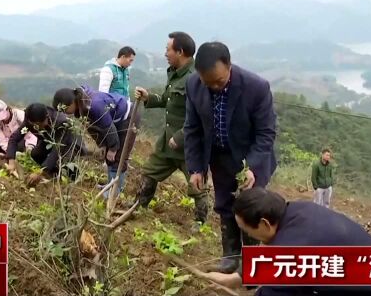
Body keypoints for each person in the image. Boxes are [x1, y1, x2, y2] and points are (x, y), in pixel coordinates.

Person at [203, 188, 371, 295]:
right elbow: (269, 256)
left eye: (246, 229)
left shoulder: (291, 253)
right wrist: (232, 280)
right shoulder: (297, 210)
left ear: (264, 224)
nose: (248, 234)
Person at [184, 41, 277, 273]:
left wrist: (252, 167)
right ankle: (231, 255)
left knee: (252, 208)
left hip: (251, 159)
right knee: (225, 205)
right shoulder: (194, 85)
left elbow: (266, 133)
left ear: (229, 66)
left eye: (220, 81)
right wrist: (196, 168)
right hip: (219, 158)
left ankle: (253, 262)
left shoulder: (256, 87)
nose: (215, 87)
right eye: (209, 83)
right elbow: (192, 130)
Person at [132, 32, 208, 232]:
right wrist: (149, 97)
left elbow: (202, 116)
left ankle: (200, 222)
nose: (165, 53)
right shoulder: (175, 73)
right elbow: (167, 99)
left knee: (196, 185)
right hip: (168, 141)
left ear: (180, 52)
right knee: (150, 172)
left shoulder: (195, 78)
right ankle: (139, 207)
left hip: (188, 145)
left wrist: (181, 136)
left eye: (168, 49)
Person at [52, 85, 140, 197]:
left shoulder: (94, 105)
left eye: (64, 109)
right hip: (112, 119)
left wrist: (113, 148)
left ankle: (116, 190)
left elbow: (109, 128)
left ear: (72, 103)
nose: (64, 113)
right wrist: (103, 144)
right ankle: (110, 184)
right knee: (109, 157)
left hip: (128, 116)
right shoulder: (82, 106)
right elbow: (94, 128)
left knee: (118, 156)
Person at [5, 103, 84, 186]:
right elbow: (14, 139)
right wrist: (11, 162)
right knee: (36, 154)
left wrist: (40, 172)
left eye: (45, 120)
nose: (45, 123)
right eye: (40, 123)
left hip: (69, 142)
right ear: (31, 122)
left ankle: (75, 178)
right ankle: (53, 174)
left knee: (65, 163)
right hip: (48, 140)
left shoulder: (60, 121)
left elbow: (57, 149)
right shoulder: (29, 120)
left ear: (46, 115)